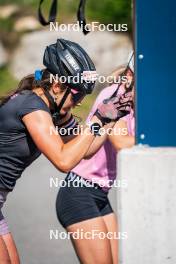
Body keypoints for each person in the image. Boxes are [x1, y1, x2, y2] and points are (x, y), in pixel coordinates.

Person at [0, 39, 132, 264]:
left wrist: (110, 118)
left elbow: (86, 149)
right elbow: (63, 161)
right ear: (58, 86)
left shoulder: (54, 110)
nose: (80, 102)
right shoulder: (31, 106)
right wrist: (97, 120)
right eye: (77, 95)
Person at [56, 53, 135, 264]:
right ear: (129, 76)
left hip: (100, 194)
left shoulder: (137, 105)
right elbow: (121, 143)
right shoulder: (114, 97)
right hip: (79, 192)